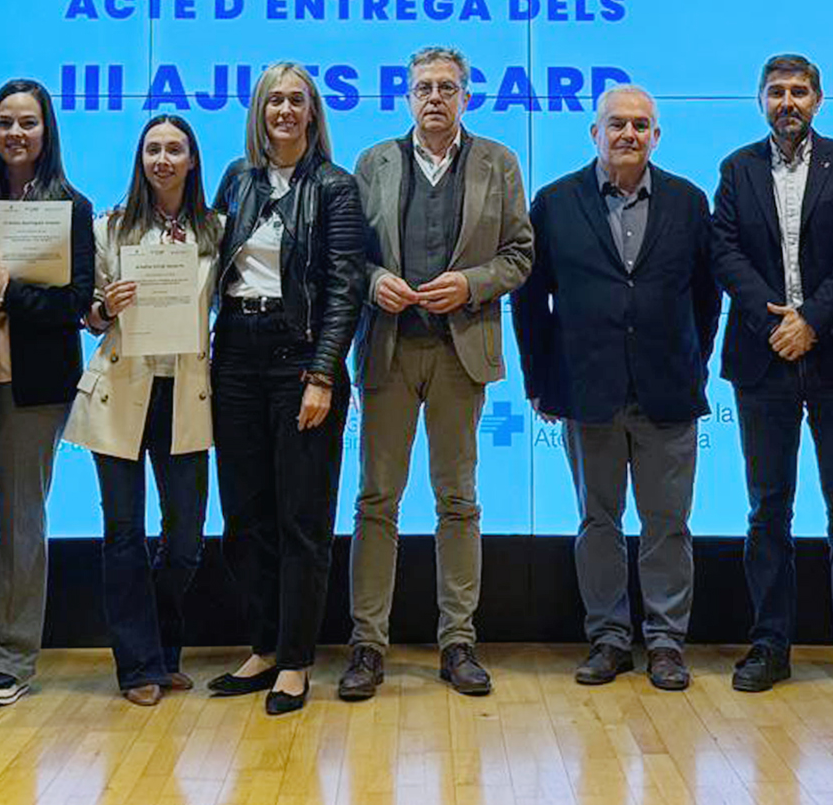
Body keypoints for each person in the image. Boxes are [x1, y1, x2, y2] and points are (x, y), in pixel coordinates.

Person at [338, 46, 534, 703]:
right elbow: (348, 256)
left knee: (458, 501)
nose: (435, 98)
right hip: (389, 351)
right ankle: (368, 644)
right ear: (407, 95)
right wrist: (376, 282)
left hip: (459, 352)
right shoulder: (374, 163)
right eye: (423, 86)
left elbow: (519, 256)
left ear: (466, 96)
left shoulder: (498, 162)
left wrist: (473, 284)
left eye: (447, 87)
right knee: (376, 502)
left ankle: (459, 641)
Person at [513, 84, 719, 692]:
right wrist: (538, 379)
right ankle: (607, 638)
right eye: (617, 124)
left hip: (667, 389)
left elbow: (708, 298)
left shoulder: (688, 200)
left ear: (656, 135)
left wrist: (693, 361)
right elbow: (530, 302)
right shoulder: (554, 202)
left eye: (641, 125)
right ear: (594, 133)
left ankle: (664, 642)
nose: (629, 134)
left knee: (667, 524)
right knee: (597, 521)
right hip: (586, 389)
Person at [712, 54, 833, 700]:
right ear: (760, 99)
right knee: (768, 509)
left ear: (818, 99)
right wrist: (775, 326)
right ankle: (769, 645)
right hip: (763, 360)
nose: (787, 101)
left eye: (799, 91)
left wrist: (812, 319)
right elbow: (724, 250)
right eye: (776, 91)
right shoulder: (738, 168)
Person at [207, 62, 365, 716]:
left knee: (303, 519)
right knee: (245, 516)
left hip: (301, 359)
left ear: (313, 113)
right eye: (274, 99)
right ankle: (264, 646)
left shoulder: (335, 186)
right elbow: (200, 261)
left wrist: (323, 373)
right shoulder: (235, 180)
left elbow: (345, 286)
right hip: (235, 358)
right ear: (258, 110)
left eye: (297, 100)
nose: (285, 110)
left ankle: (297, 660)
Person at [0, 77, 94, 709]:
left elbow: (76, 304)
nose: (15, 133)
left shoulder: (72, 206)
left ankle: (7, 658)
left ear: (47, 131)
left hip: (33, 384)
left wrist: (8, 292)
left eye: (27, 123)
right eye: (5, 121)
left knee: (18, 521)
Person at [68, 114, 221, 706]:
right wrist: (105, 307)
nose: (163, 159)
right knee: (124, 534)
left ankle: (161, 647)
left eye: (174, 149)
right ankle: (138, 666)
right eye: (153, 148)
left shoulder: (216, 230)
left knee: (185, 539)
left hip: (187, 393)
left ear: (191, 160)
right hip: (121, 391)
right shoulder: (110, 227)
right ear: (140, 158)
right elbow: (89, 318)